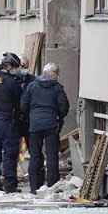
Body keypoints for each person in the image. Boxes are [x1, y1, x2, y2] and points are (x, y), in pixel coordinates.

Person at [20, 62, 70, 194]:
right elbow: (64, 106)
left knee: (35, 155)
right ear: (53, 73)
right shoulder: (57, 88)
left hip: (35, 125)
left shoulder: (32, 86)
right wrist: (57, 116)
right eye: (57, 74)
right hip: (51, 125)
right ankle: (52, 186)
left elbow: (23, 105)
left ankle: (34, 186)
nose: (57, 77)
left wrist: (30, 117)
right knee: (52, 155)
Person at [0, 53, 23, 193]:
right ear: (9, 66)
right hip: (7, 122)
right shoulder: (12, 82)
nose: (16, 70)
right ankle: (9, 184)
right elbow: (19, 102)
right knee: (9, 152)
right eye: (15, 67)